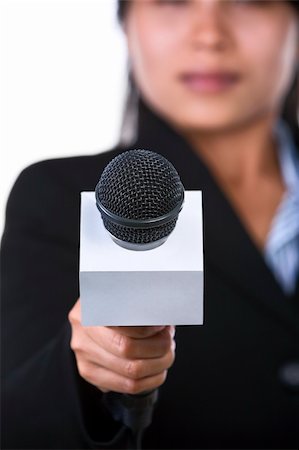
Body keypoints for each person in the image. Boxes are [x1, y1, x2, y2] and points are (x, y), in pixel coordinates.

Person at [1, 0, 299, 448]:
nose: (210, 35)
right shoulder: (56, 199)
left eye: (249, 1)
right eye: (173, 2)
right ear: (125, 21)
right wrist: (85, 375)